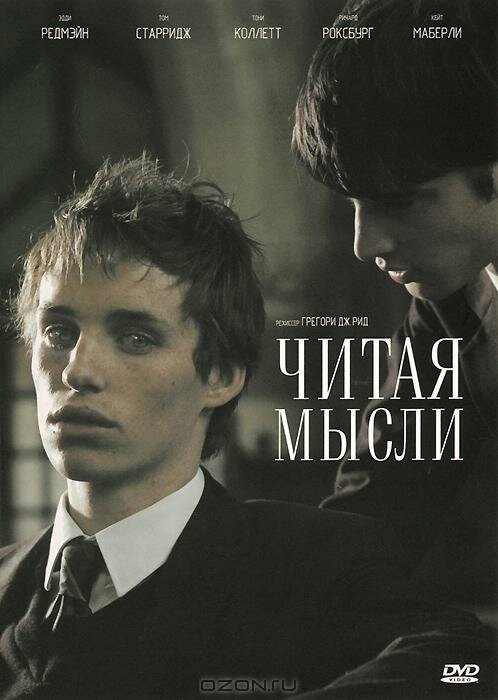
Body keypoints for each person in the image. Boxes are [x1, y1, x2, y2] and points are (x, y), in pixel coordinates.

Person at [0, 154, 493, 699]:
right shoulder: (7, 582)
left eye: (136, 338)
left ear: (221, 375)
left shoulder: (308, 568)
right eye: (58, 332)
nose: (77, 371)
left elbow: (469, 665)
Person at [293, 0, 497, 609]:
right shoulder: (451, 304)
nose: (365, 245)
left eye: (400, 200)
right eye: (353, 203)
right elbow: (376, 503)